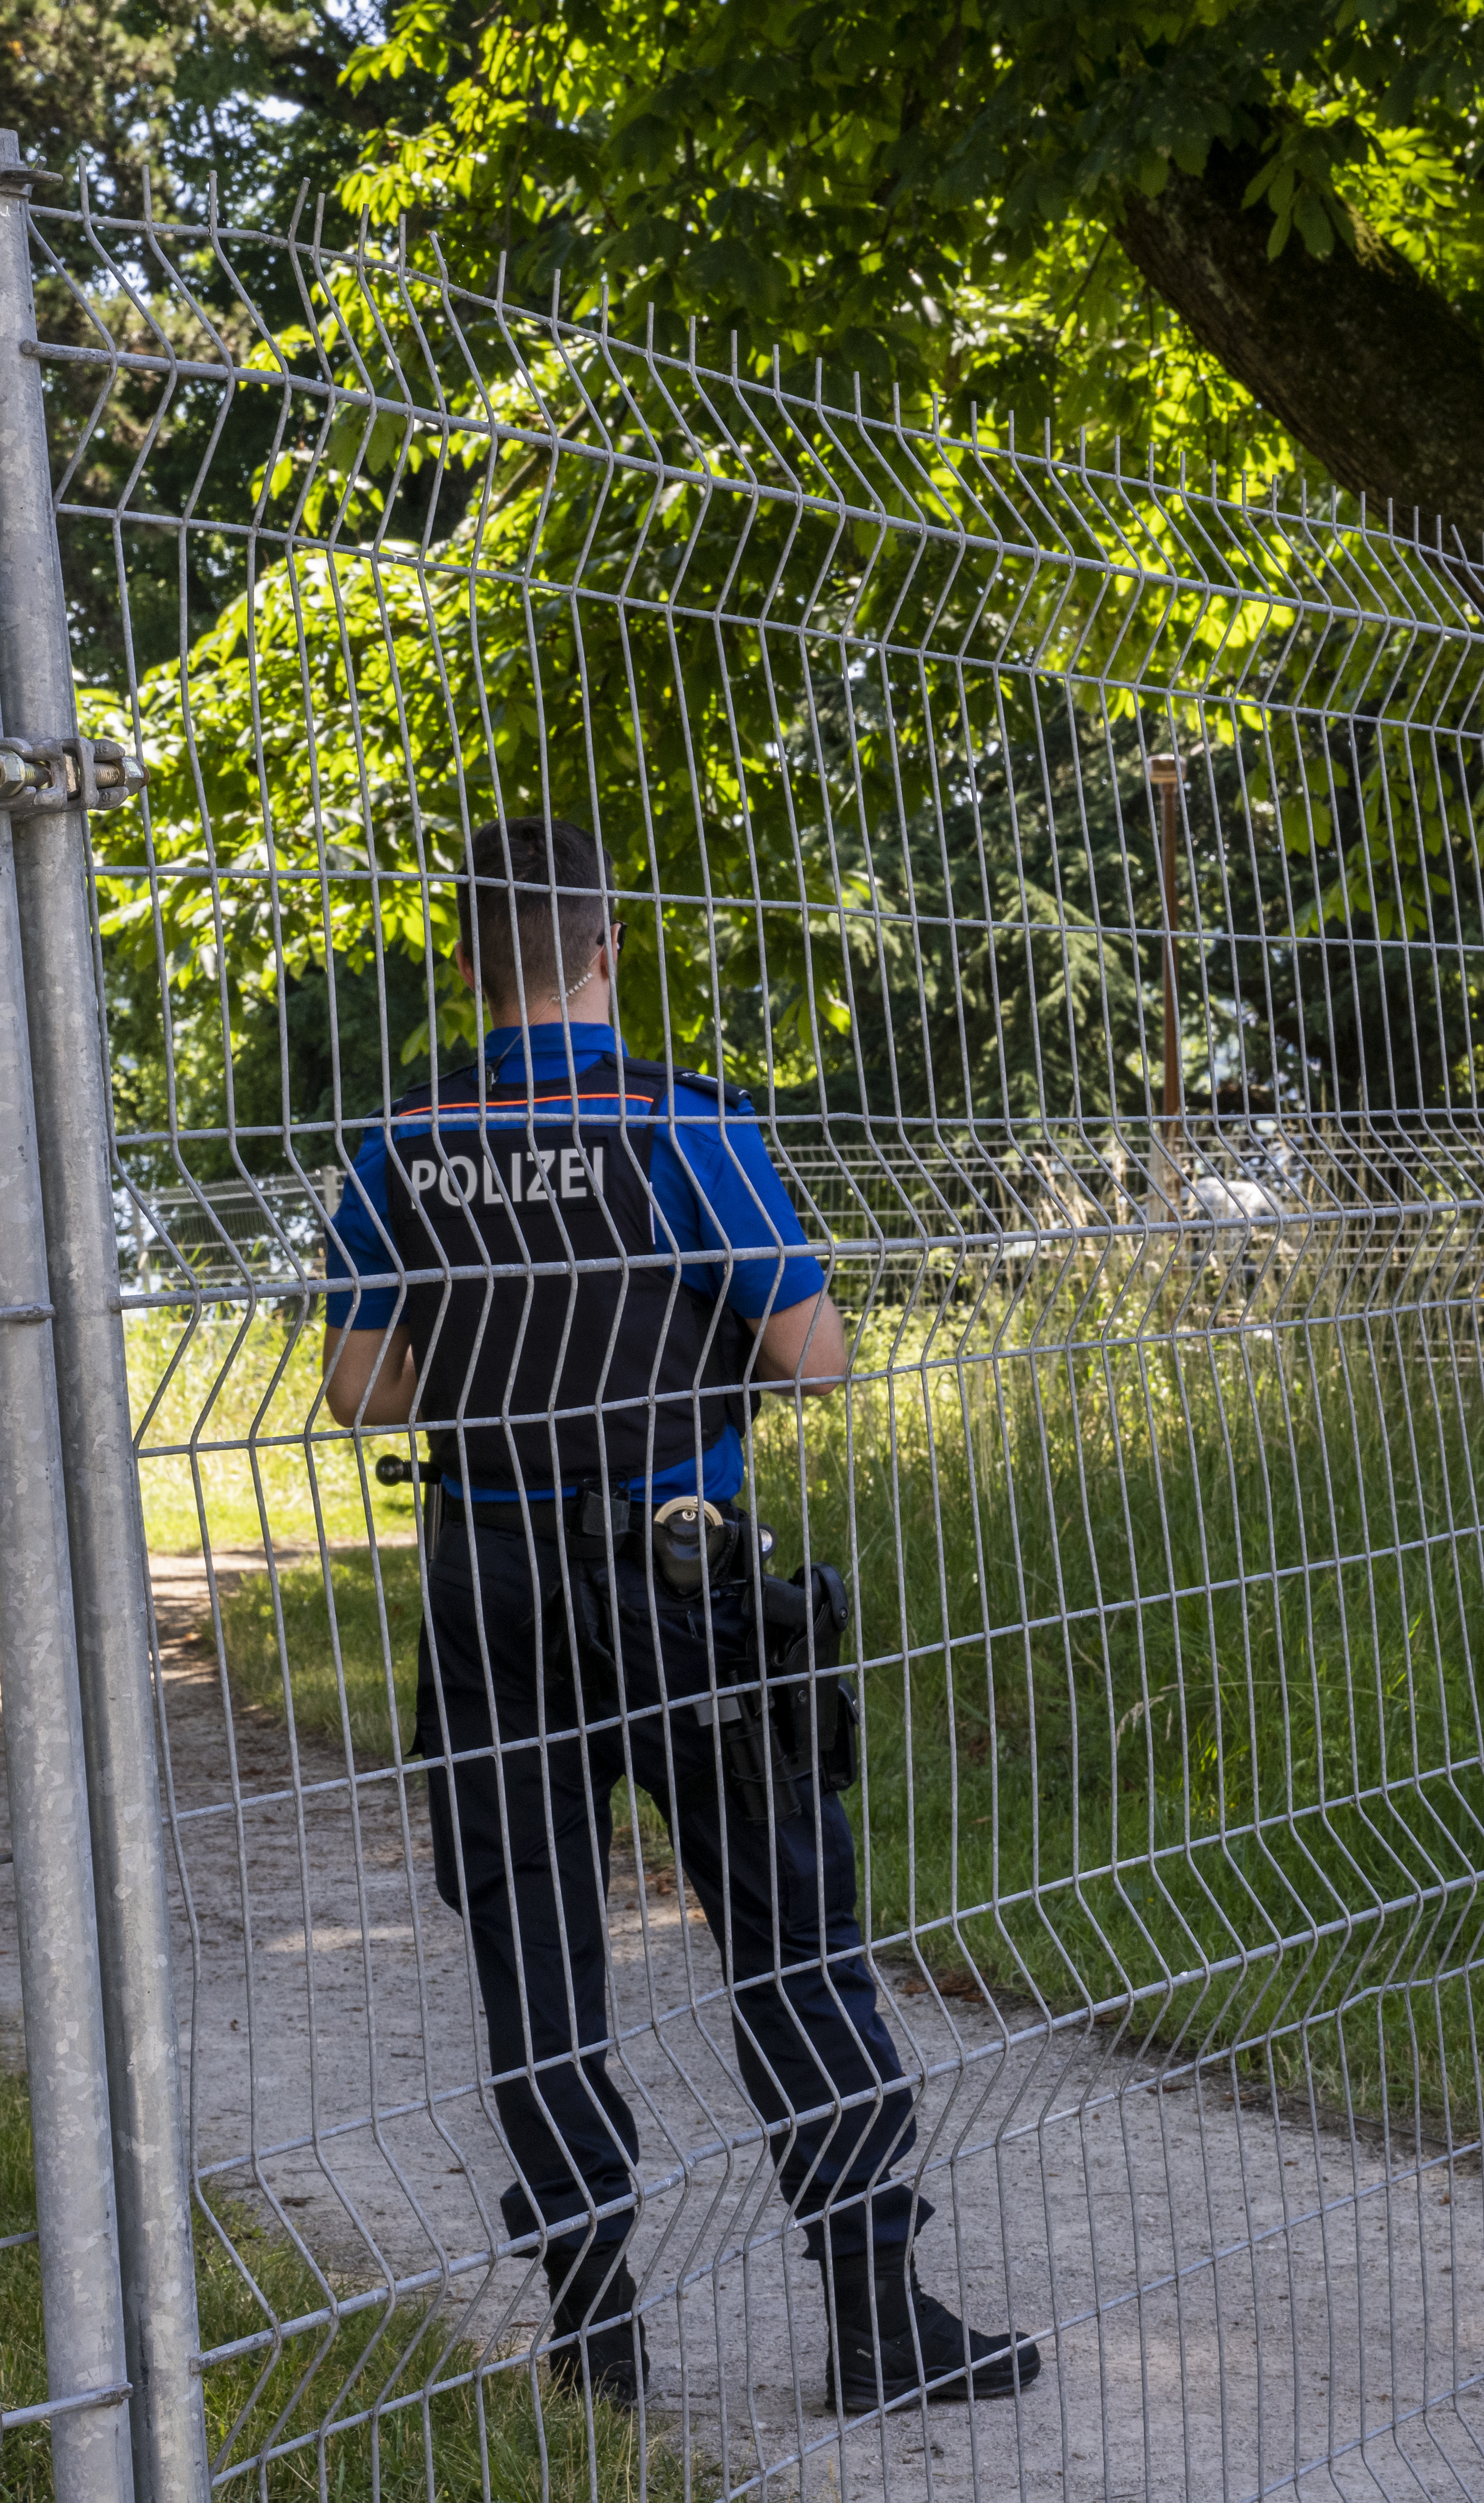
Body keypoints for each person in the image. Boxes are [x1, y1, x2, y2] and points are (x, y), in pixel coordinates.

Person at [319, 817, 1044, 2415]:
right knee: (788, 1936)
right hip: (675, 1573)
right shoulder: (674, 1126)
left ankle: (593, 2334)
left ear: (466, 963)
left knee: (536, 1951)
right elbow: (813, 1352)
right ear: (606, 945)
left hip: (484, 1578)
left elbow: (359, 1386)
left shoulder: (402, 1142)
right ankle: (873, 2313)